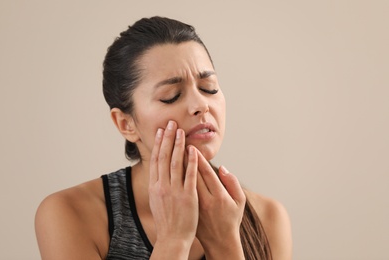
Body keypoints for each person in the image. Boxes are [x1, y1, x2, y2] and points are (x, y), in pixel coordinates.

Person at [35, 16, 292, 260]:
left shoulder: (268, 217)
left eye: (208, 88)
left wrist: (224, 243)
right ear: (126, 123)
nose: (200, 105)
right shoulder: (71, 213)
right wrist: (174, 239)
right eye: (171, 95)